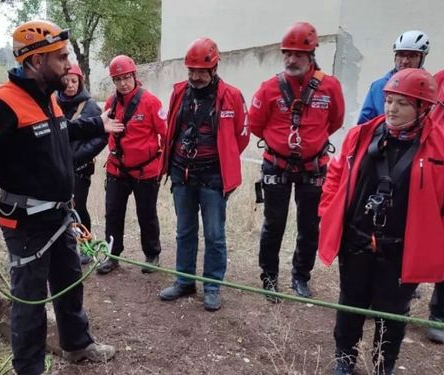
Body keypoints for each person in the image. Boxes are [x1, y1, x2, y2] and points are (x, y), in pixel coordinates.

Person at [0, 20, 121, 375]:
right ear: (34, 60)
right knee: (29, 302)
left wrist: (97, 124)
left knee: (69, 285)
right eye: (60, 57)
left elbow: (59, 132)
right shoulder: (2, 105)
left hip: (60, 217)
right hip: (27, 223)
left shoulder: (48, 98)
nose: (68, 63)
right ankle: (30, 368)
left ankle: (77, 345)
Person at [318, 68, 444, 375]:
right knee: (350, 305)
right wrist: (327, 210)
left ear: (423, 108)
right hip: (357, 240)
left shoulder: (439, 147)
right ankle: (344, 361)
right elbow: (336, 174)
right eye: (389, 100)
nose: (392, 108)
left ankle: (383, 367)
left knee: (393, 314)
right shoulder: (361, 135)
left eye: (403, 102)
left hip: (402, 249)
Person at [249, 21, 345, 301]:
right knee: (273, 224)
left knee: (309, 226)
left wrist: (311, 144)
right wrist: (281, 144)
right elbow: (255, 124)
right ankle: (269, 279)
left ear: (312, 55)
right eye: (287, 54)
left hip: (314, 167)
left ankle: (301, 276)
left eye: (298, 55)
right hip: (276, 166)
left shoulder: (330, 87)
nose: (291, 60)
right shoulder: (270, 88)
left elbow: (335, 120)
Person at [157, 38, 249, 311]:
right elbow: (171, 127)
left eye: (201, 72)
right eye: (191, 71)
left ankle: (212, 286)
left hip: (213, 176)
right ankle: (184, 281)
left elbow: (241, 136)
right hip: (182, 174)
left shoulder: (231, 95)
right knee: (184, 231)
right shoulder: (179, 93)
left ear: (214, 69)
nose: (195, 77)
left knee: (214, 234)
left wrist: (223, 158)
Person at [96, 55, 167, 275]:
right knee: (113, 213)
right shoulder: (111, 104)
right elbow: (104, 130)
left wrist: (162, 166)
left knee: (146, 214)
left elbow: (165, 134)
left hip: (145, 171)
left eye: (126, 77)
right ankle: (112, 255)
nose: (123, 83)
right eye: (118, 79)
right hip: (117, 169)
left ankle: (152, 255)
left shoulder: (151, 102)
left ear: (134, 76)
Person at [57, 63, 106, 265]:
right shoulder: (54, 104)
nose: (70, 85)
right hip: (58, 167)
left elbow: (101, 137)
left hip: (80, 168)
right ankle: (64, 247)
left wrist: (78, 156)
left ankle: (86, 246)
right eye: (66, 81)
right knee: (61, 208)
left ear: (80, 82)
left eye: (74, 81)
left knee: (78, 207)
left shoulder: (91, 107)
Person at [357, 30, 430, 124]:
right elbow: (364, 125)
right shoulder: (379, 86)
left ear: (422, 58)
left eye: (412, 56)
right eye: (401, 55)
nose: (405, 61)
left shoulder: (430, 88)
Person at [425, 68, 444, 344]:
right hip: (431, 170)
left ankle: (439, 313)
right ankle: (389, 302)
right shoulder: (439, 79)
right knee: (412, 236)